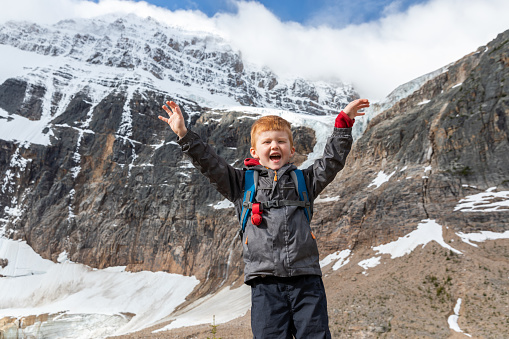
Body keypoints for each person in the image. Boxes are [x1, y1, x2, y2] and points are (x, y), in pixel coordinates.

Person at [159, 98, 369, 339]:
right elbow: (210, 163)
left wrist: (343, 123)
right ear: (255, 152)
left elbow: (332, 161)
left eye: (281, 141)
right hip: (265, 284)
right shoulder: (240, 184)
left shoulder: (305, 181)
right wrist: (184, 135)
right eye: (267, 141)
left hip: (306, 281)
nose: (274, 146)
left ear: (291, 150)